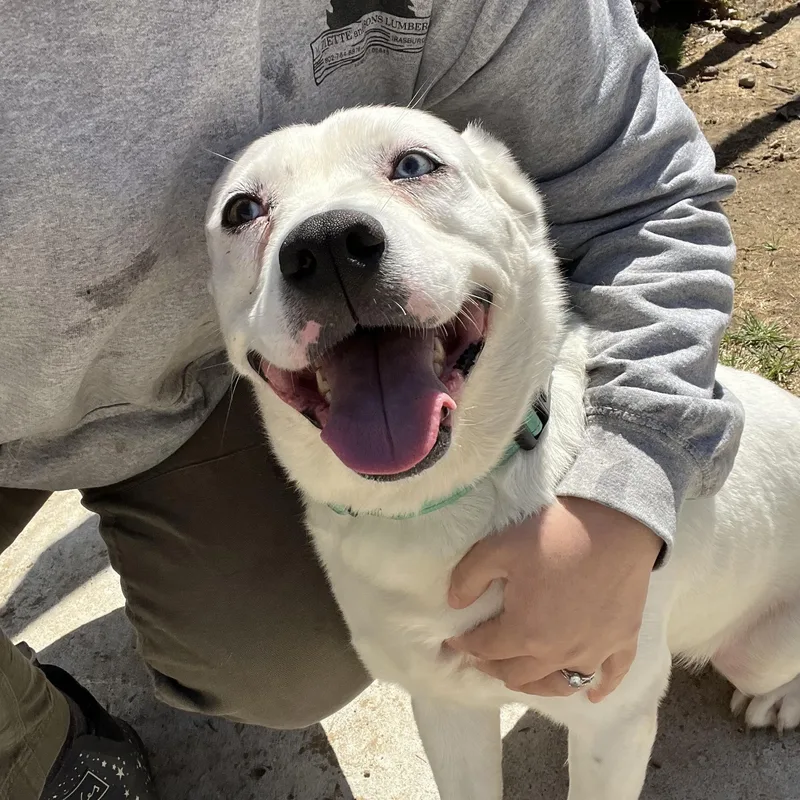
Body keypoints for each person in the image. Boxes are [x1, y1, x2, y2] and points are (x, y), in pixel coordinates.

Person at [0, 0, 742, 797]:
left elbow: (649, 191)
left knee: (280, 663)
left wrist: (623, 494)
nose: (326, 239)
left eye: (414, 167)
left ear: (518, 213)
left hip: (756, 619)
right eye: (249, 213)